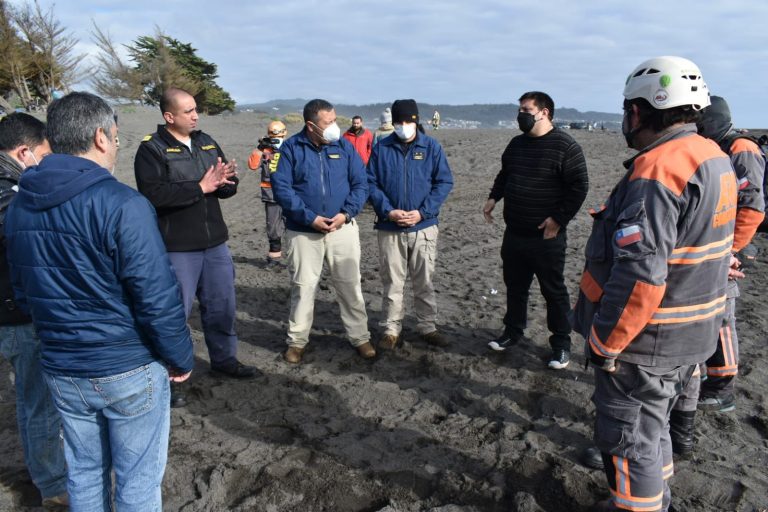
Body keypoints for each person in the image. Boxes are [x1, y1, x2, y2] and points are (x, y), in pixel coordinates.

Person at [4, 92, 195, 511]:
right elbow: (156, 297)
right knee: (138, 481)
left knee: (85, 473)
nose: (117, 145)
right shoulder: (123, 204)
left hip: (61, 366)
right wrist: (180, 357)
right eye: (116, 136)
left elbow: (24, 292)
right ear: (101, 138)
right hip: (125, 365)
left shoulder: (20, 206)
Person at [572, 56, 737, 512]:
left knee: (629, 440)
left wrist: (606, 342)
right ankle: (655, 499)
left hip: (649, 343)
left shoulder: (658, 171)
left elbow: (640, 276)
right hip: (695, 332)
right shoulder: (711, 156)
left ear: (639, 111)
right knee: (655, 426)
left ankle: (639, 506)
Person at [134, 88, 257, 403]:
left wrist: (228, 181)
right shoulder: (152, 149)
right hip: (178, 247)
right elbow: (152, 196)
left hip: (215, 243)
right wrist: (199, 188)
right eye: (187, 111)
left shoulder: (206, 141)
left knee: (222, 307)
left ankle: (224, 359)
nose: (195, 115)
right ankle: (172, 374)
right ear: (169, 116)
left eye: (195, 110)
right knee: (176, 314)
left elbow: (222, 188)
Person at [483, 91, 588, 369]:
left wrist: (558, 219)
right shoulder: (516, 144)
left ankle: (561, 344)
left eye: (526, 110)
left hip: (547, 236)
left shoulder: (566, 146)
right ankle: (512, 332)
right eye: (520, 109)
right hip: (515, 232)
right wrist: (494, 197)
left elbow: (579, 186)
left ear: (544, 112)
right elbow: (505, 174)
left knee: (553, 290)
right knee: (515, 287)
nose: (521, 115)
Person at [271, 98, 374, 364]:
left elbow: (360, 184)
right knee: (303, 288)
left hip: (343, 229)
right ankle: (297, 341)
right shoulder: (291, 149)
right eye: (327, 123)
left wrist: (346, 213)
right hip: (303, 232)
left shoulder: (344, 148)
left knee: (350, 286)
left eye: (335, 121)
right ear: (310, 125)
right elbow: (282, 189)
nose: (334, 128)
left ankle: (361, 337)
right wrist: (310, 218)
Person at [0, 113, 67, 509]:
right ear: (24, 152)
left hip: (11, 307)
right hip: (18, 312)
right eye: (44, 155)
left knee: (29, 399)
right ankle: (54, 485)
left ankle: (43, 470)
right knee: (40, 401)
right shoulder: (10, 192)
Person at [367, 99, 454, 349]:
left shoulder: (431, 147)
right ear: (392, 123)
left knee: (423, 279)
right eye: (399, 122)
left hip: (423, 227)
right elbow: (370, 182)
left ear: (416, 121)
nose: (403, 126)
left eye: (408, 121)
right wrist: (388, 211)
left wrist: (422, 212)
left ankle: (428, 326)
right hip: (389, 227)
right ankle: (391, 328)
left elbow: (444, 182)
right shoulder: (381, 148)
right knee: (392, 281)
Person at [248, 120, 288, 263]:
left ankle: (296, 257)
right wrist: (259, 148)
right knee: (272, 226)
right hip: (270, 194)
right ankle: (274, 257)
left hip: (290, 194)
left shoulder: (291, 147)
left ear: (284, 133)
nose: (275, 137)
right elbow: (253, 165)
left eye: (278, 134)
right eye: (272, 134)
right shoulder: (264, 150)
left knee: (292, 224)